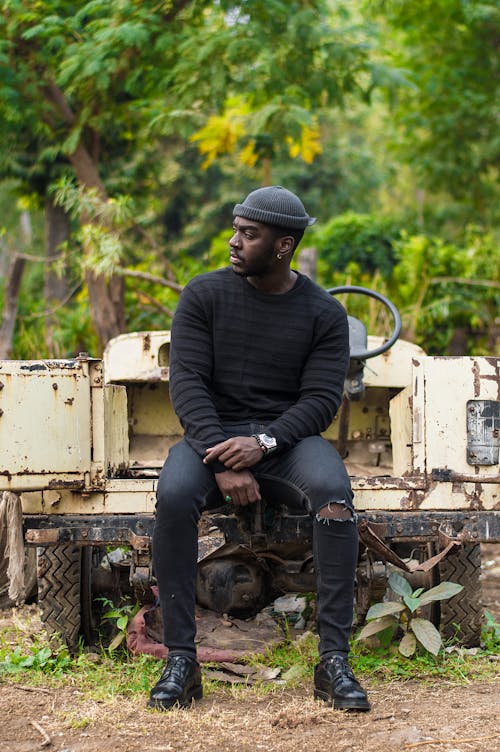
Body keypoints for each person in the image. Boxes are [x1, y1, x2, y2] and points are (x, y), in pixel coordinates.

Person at [148, 186, 370, 712]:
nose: (233, 242)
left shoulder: (323, 313)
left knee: (335, 496)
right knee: (174, 496)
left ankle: (332, 661)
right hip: (211, 437)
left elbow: (320, 400)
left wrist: (264, 442)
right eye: (235, 229)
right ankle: (182, 660)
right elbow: (187, 385)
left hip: (285, 441)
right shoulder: (203, 296)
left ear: (282, 246)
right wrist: (223, 456)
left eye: (248, 235)